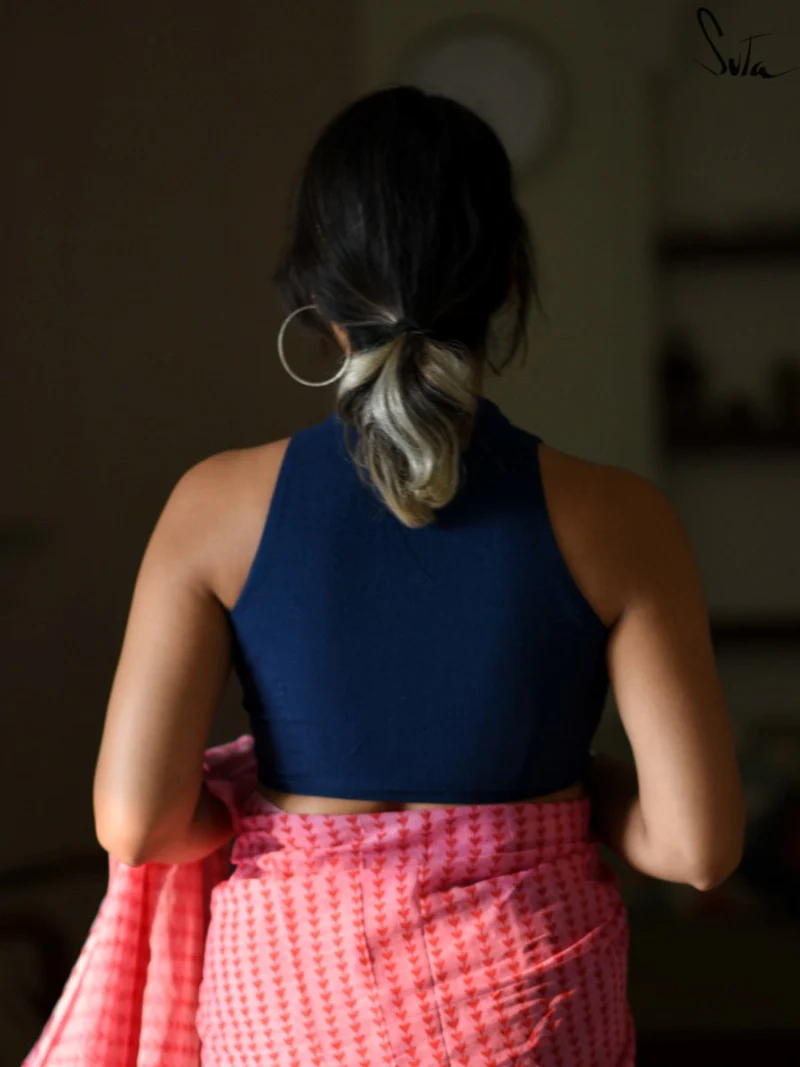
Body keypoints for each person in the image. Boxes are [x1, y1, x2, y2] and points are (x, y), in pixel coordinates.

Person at [91, 85, 745, 1066]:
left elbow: (137, 822)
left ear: (315, 292)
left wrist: (257, 804)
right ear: (508, 280)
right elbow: (696, 848)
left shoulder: (212, 506)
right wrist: (573, 784)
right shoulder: (621, 518)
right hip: (528, 1014)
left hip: (290, 1012)